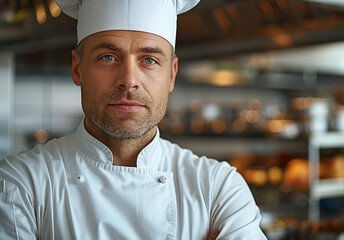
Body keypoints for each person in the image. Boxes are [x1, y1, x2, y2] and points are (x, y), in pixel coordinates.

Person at [0, 0, 267, 239]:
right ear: (77, 68)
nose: (129, 80)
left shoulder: (218, 189)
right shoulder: (20, 184)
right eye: (108, 57)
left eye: (149, 60)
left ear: (171, 75)